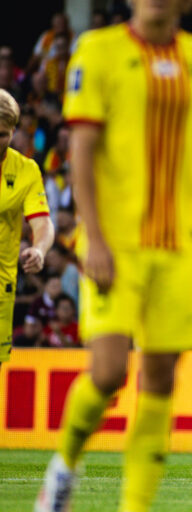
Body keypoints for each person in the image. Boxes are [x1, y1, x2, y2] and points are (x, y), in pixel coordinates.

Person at [36, 2, 192, 511]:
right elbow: (82, 149)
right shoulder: (98, 50)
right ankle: (63, 467)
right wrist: (94, 237)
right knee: (108, 373)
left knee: (161, 377)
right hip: (115, 244)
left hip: (177, 248)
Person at [0, 88, 54, 369]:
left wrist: (39, 249)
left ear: (13, 132)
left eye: (1, 135)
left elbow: (42, 222)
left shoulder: (26, 170)